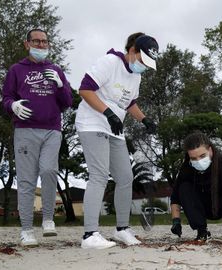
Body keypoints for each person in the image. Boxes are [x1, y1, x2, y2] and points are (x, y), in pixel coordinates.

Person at [76, 32, 159, 249]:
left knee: (125, 177)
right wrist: (108, 113)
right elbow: (84, 89)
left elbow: (129, 102)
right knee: (99, 175)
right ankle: (89, 235)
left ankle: (122, 229)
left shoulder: (136, 76)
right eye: (143, 60)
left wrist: (144, 119)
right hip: (92, 123)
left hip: (115, 130)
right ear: (132, 51)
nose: (144, 67)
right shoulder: (110, 62)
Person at [2, 28, 73, 246]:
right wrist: (12, 105)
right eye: (36, 41)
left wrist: (60, 86)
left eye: (44, 42)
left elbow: (68, 102)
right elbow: (5, 98)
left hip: (52, 130)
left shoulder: (56, 70)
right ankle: (26, 231)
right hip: (25, 130)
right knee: (26, 181)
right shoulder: (16, 70)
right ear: (27, 44)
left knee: (50, 170)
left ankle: (49, 220)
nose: (41, 45)